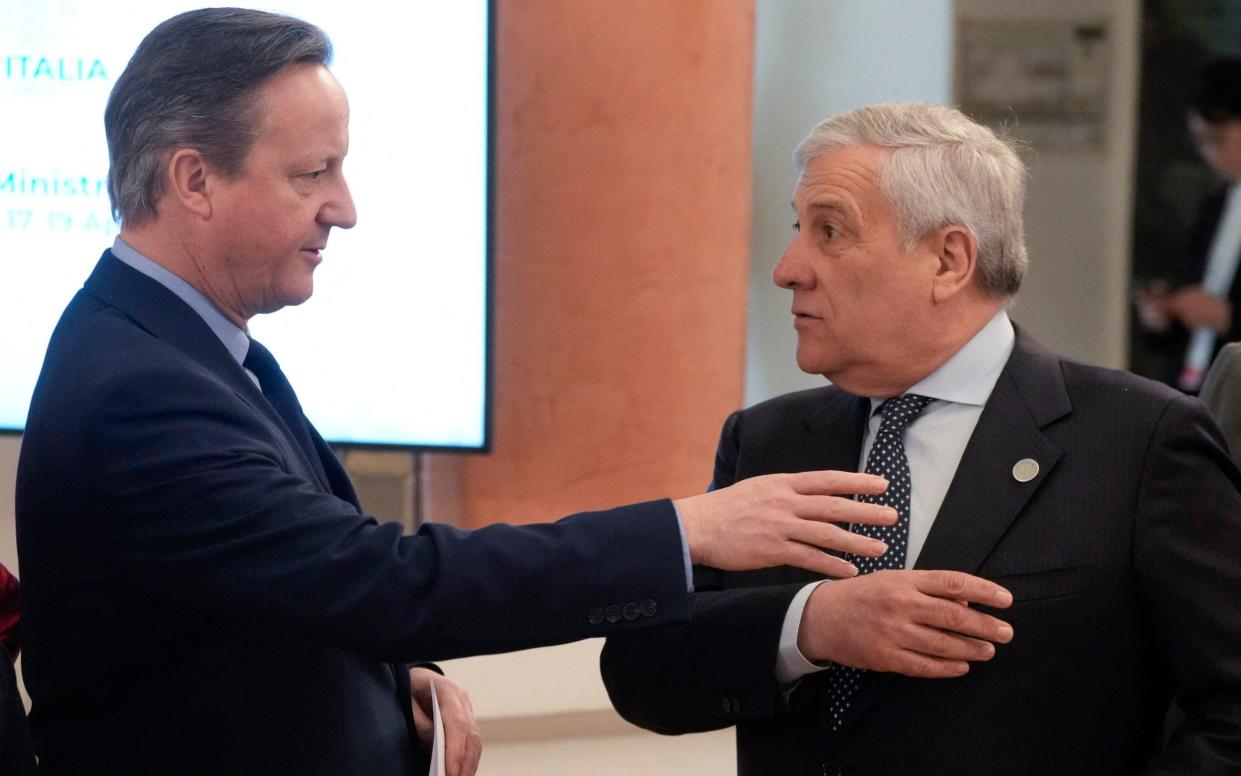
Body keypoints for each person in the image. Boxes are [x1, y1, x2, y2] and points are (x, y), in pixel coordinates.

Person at [14, 9, 904, 776]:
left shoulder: (180, 344)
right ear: (194, 179)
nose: (345, 207)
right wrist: (687, 530)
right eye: (310, 173)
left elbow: (275, 594)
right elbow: (373, 578)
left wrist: (392, 677)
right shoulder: (140, 388)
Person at [601, 102, 1241, 775]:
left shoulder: (1137, 440)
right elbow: (644, 676)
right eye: (798, 229)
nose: (788, 268)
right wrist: (809, 624)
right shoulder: (767, 440)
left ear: (947, 259)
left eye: (829, 232)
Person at [1135, 58, 1241, 392]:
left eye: (1218, 138)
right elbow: (1191, 288)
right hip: (1194, 389)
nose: (1210, 154)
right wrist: (1162, 315)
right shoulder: (1215, 205)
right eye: (1201, 141)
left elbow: (1221, 313)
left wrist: (1228, 318)